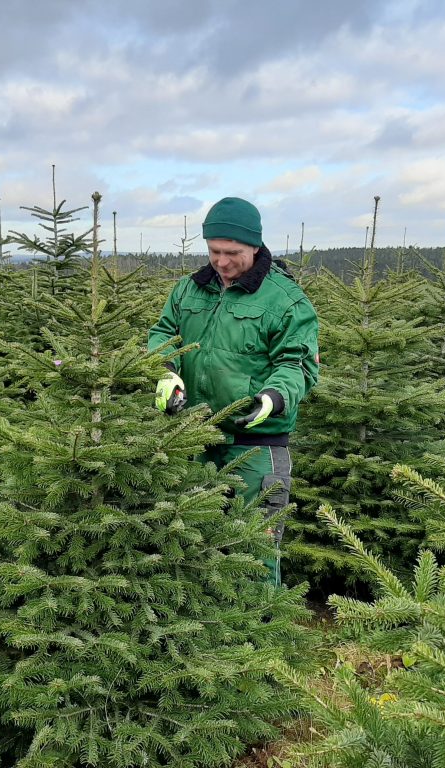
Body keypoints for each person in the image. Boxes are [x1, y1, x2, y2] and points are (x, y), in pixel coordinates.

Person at [147, 197, 319, 586]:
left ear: (255, 247)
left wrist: (272, 398)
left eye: (232, 253)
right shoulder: (189, 290)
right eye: (213, 252)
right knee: (186, 544)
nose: (221, 262)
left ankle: (265, 636)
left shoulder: (286, 300)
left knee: (256, 552)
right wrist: (166, 370)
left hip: (255, 446)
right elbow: (163, 333)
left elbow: (298, 365)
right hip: (192, 438)